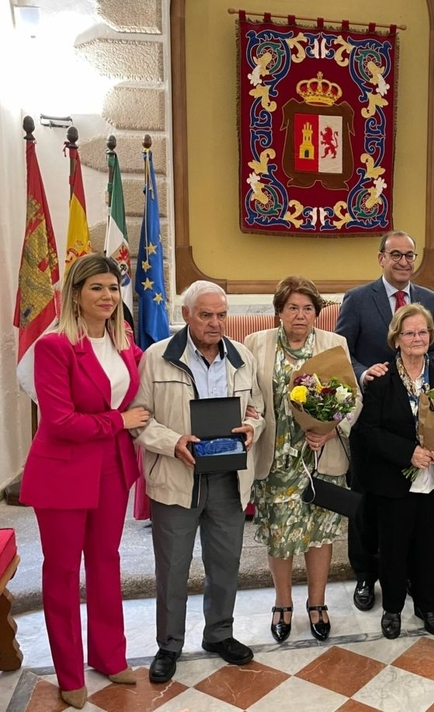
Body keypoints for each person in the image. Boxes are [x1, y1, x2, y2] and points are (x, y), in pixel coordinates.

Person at [20, 254, 149, 709]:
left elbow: (146, 381)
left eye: (113, 289)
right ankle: (70, 673)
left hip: (112, 469)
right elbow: (60, 421)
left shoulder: (122, 342)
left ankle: (109, 657)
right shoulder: (54, 346)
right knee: (61, 573)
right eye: (97, 287)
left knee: (105, 562)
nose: (107, 297)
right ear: (75, 293)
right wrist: (120, 420)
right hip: (62, 472)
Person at [132, 280, 265, 683]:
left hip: (228, 476)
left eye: (221, 315)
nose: (215, 323)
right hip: (177, 476)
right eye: (206, 315)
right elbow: (138, 419)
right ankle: (169, 645)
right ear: (187, 314)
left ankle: (219, 634)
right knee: (172, 567)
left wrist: (251, 428)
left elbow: (257, 407)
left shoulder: (241, 356)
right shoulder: (157, 358)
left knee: (225, 562)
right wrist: (172, 443)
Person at [244, 276, 359, 643]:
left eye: (308, 308)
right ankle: (282, 604)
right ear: (279, 311)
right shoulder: (255, 344)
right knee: (280, 535)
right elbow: (251, 399)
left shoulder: (333, 343)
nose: (300, 315)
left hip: (320, 456)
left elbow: (352, 399)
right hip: (276, 460)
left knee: (319, 534)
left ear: (317, 313)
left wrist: (330, 428)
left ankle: (317, 603)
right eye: (292, 307)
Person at [336, 230, 434, 611]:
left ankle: (409, 575)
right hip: (373, 412)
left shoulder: (428, 299)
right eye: (395, 254)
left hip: (417, 416)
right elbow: (341, 350)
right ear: (381, 258)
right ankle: (366, 574)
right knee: (368, 501)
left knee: (410, 509)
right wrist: (366, 374)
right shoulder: (358, 298)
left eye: (409, 255)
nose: (403, 262)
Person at [351, 304, 434, 638]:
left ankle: (427, 606)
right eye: (410, 332)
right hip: (393, 480)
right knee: (393, 548)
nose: (417, 338)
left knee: (428, 546)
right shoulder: (381, 381)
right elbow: (366, 432)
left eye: (423, 332)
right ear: (396, 339)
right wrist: (408, 453)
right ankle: (393, 609)